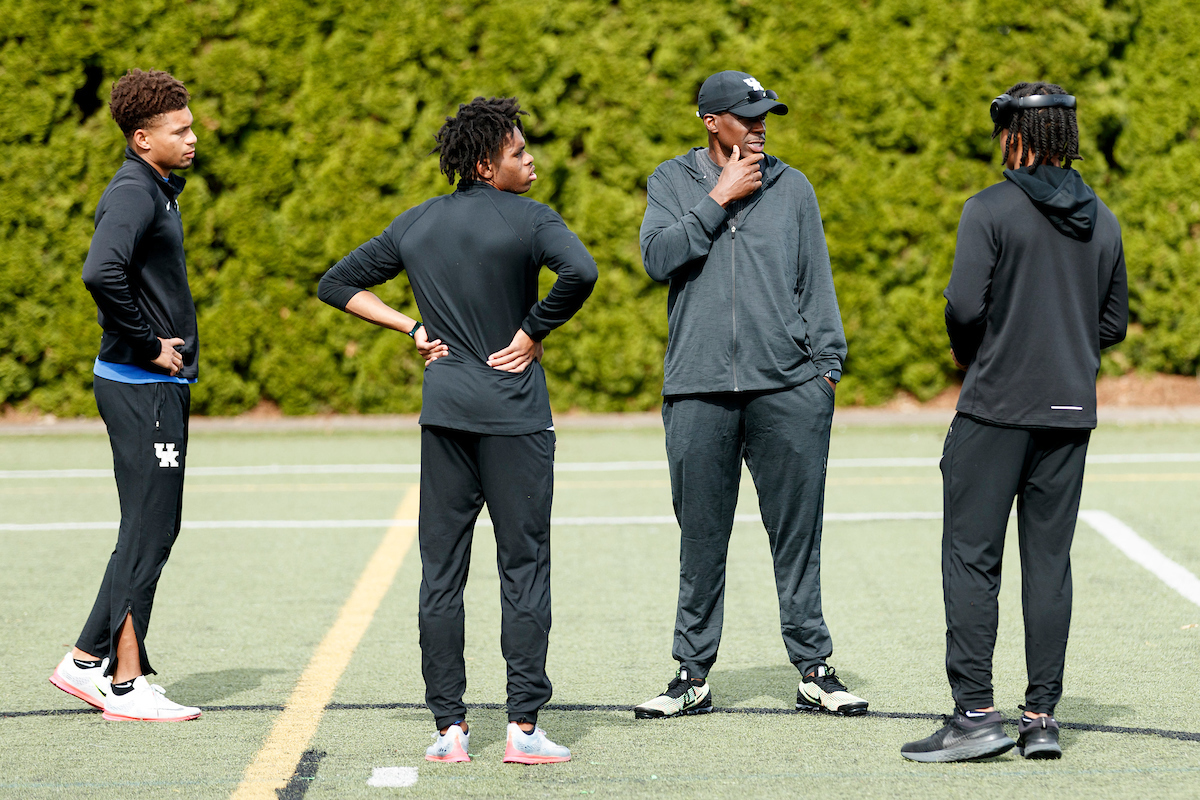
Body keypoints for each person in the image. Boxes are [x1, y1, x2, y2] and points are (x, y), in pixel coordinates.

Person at [318, 97, 597, 764]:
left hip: (444, 414)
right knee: (523, 569)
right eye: (518, 153)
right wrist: (532, 331)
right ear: (484, 164)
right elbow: (581, 273)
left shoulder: (417, 223)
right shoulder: (533, 219)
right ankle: (524, 731)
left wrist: (411, 327)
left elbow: (337, 283)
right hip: (515, 417)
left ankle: (450, 730)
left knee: (440, 573)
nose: (531, 161)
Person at [901, 82, 1128, 762]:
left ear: (1013, 135)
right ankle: (1041, 719)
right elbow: (1111, 324)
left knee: (972, 562)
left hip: (995, 410)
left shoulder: (989, 209)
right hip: (1069, 413)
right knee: (1050, 564)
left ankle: (974, 715)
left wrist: (982, 355)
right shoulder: (1106, 218)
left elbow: (965, 308)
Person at [634, 70, 868, 720]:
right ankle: (691, 674)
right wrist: (718, 198)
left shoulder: (794, 188)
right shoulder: (670, 182)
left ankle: (814, 668)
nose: (761, 123)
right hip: (697, 391)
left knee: (798, 537)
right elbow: (657, 259)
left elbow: (815, 282)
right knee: (701, 538)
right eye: (747, 114)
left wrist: (825, 374)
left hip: (791, 390)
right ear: (711, 120)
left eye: (766, 112)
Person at [50, 69, 202, 722]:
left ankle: (85, 660)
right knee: (150, 528)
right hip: (144, 387)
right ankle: (124, 684)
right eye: (180, 129)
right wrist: (147, 345)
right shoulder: (134, 192)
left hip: (155, 389)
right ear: (143, 139)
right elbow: (99, 271)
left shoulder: (156, 188)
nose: (193, 137)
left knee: (149, 526)